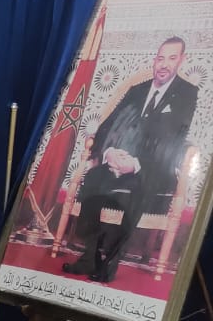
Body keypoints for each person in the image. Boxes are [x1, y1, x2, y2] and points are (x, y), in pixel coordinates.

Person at [63, 35, 198, 282]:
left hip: (151, 169)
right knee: (92, 178)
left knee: (138, 186)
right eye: (160, 58)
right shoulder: (137, 90)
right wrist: (109, 153)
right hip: (118, 162)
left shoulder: (187, 93)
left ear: (181, 60)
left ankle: (110, 263)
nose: (164, 64)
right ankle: (89, 256)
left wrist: (135, 164)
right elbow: (107, 126)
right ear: (154, 60)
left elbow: (173, 138)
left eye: (171, 58)